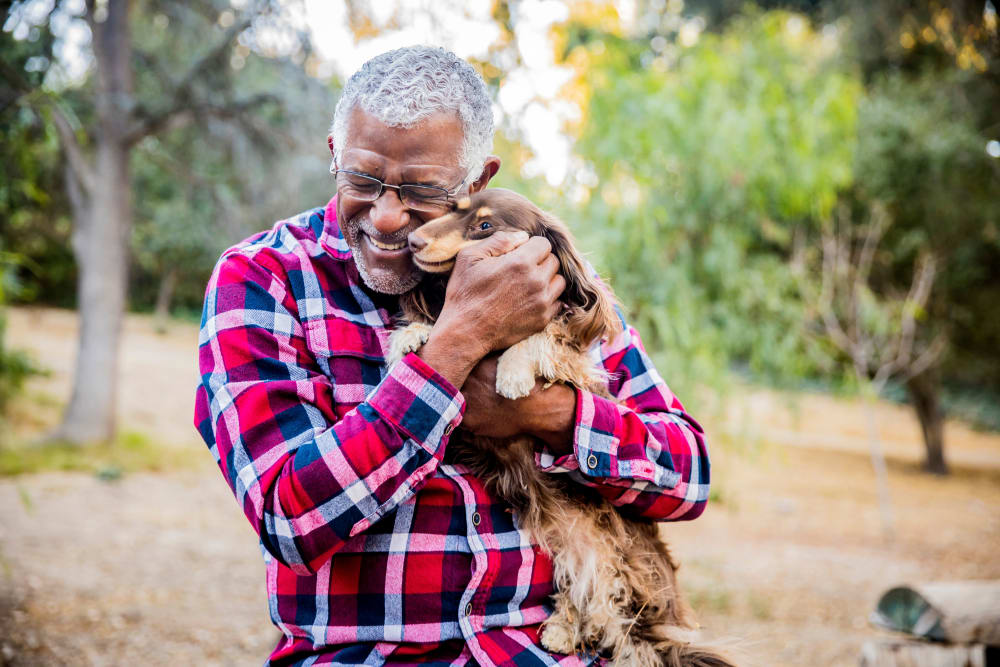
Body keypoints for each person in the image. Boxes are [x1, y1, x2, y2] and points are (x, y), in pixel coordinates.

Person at [194, 46, 710, 667]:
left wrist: (548, 414)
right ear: (333, 154)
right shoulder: (261, 279)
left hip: (553, 650)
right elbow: (290, 518)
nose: (386, 217)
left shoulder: (542, 273)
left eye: (421, 189)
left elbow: (689, 476)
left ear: (478, 183)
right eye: (362, 180)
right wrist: (459, 342)